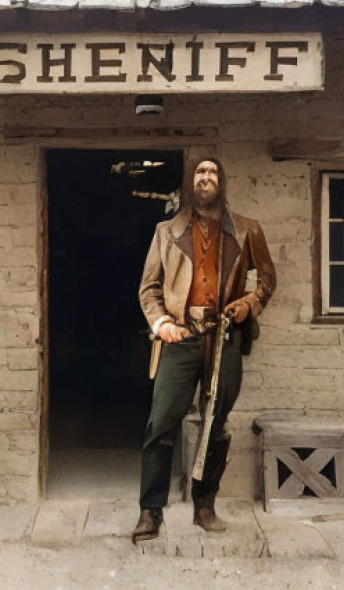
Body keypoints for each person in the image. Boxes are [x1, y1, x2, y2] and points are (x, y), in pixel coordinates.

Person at [133, 156, 277, 543]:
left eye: (212, 173)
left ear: (222, 182)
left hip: (224, 337)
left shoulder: (247, 230)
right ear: (190, 183)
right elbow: (149, 289)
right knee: (160, 422)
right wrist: (162, 323)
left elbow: (267, 279)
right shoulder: (166, 232)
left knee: (216, 425)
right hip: (179, 338)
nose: (206, 179)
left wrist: (248, 305)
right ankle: (150, 511)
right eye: (199, 173)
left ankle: (204, 506)